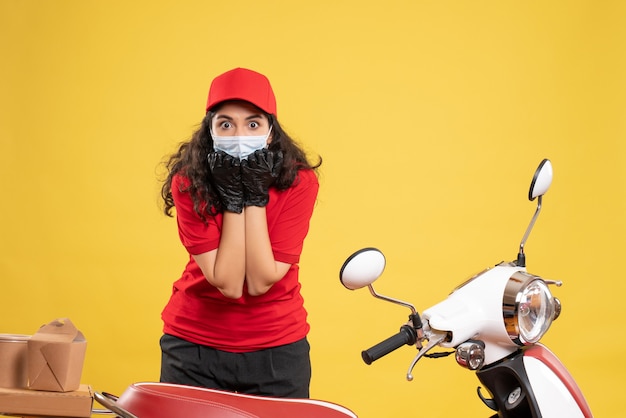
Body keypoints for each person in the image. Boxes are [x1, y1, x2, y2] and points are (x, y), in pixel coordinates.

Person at [158, 67, 321, 399]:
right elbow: (230, 285)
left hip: (277, 347)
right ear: (211, 131)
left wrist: (255, 195)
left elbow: (261, 281)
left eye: (253, 123)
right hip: (193, 345)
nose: (238, 134)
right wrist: (234, 197)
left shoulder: (300, 182)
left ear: (271, 131)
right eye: (226, 124)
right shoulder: (188, 182)